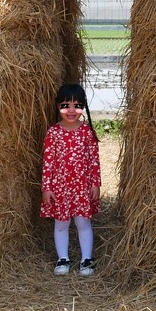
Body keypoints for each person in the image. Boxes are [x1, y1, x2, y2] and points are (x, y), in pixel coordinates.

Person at [41, 83, 101, 276]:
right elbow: (48, 162)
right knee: (61, 224)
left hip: (82, 187)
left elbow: (94, 160)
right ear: (58, 105)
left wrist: (95, 184)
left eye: (77, 105)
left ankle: (86, 260)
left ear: (83, 107)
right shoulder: (53, 133)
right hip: (60, 187)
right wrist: (47, 188)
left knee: (83, 223)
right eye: (66, 105)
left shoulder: (87, 132)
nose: (72, 110)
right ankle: (63, 259)